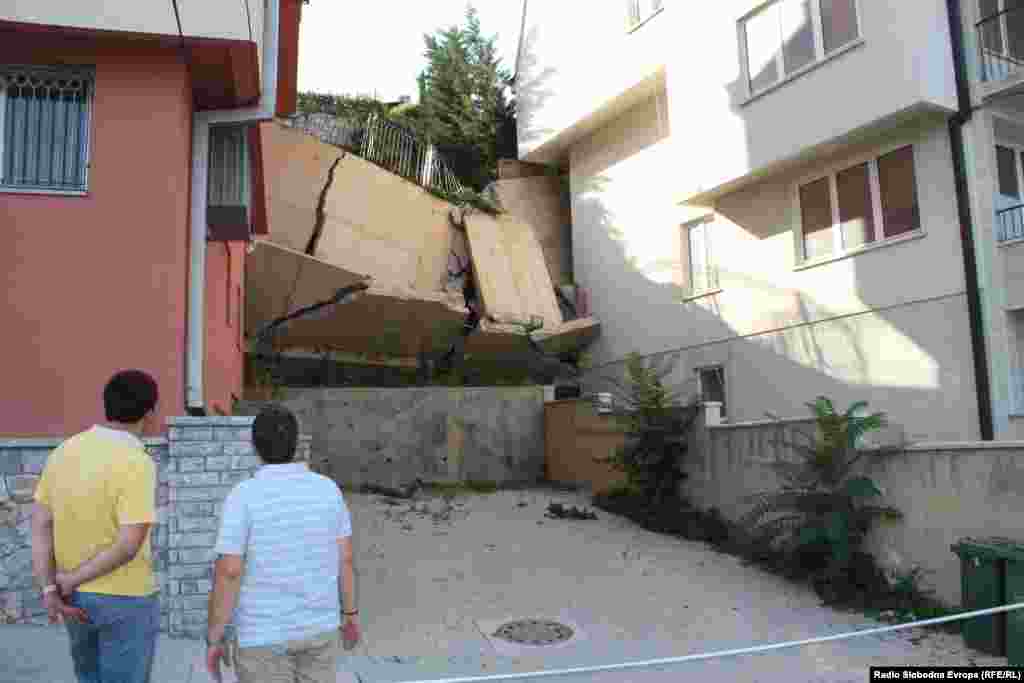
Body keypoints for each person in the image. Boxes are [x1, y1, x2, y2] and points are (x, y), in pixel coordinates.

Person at [206, 404, 360, 683]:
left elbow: (229, 572)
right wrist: (350, 613)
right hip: (320, 631)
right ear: (296, 442)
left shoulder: (242, 496)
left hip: (262, 637)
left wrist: (214, 638)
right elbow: (345, 559)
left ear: (255, 446)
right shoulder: (328, 489)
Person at [32, 369, 161, 683]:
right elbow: (129, 544)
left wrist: (51, 587)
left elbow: (41, 527)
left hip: (74, 599)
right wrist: (71, 579)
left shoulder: (64, 452)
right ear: (149, 413)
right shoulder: (136, 461)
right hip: (126, 599)